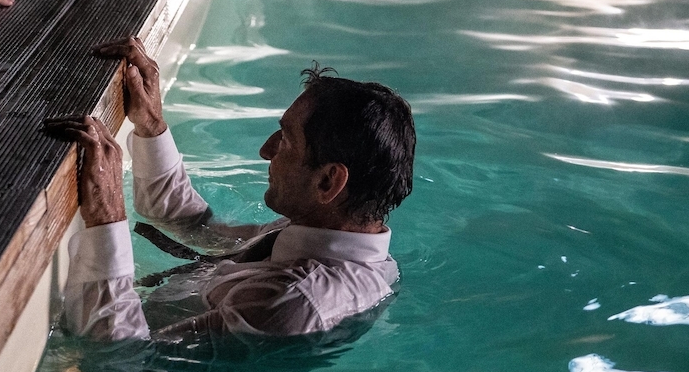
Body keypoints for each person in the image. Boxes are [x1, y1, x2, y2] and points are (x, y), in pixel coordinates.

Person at [50, 37, 416, 340]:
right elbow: (197, 227)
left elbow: (123, 365)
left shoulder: (294, 302)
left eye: (286, 140)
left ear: (327, 182)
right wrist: (151, 126)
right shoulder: (316, 229)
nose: (266, 151)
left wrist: (107, 218)